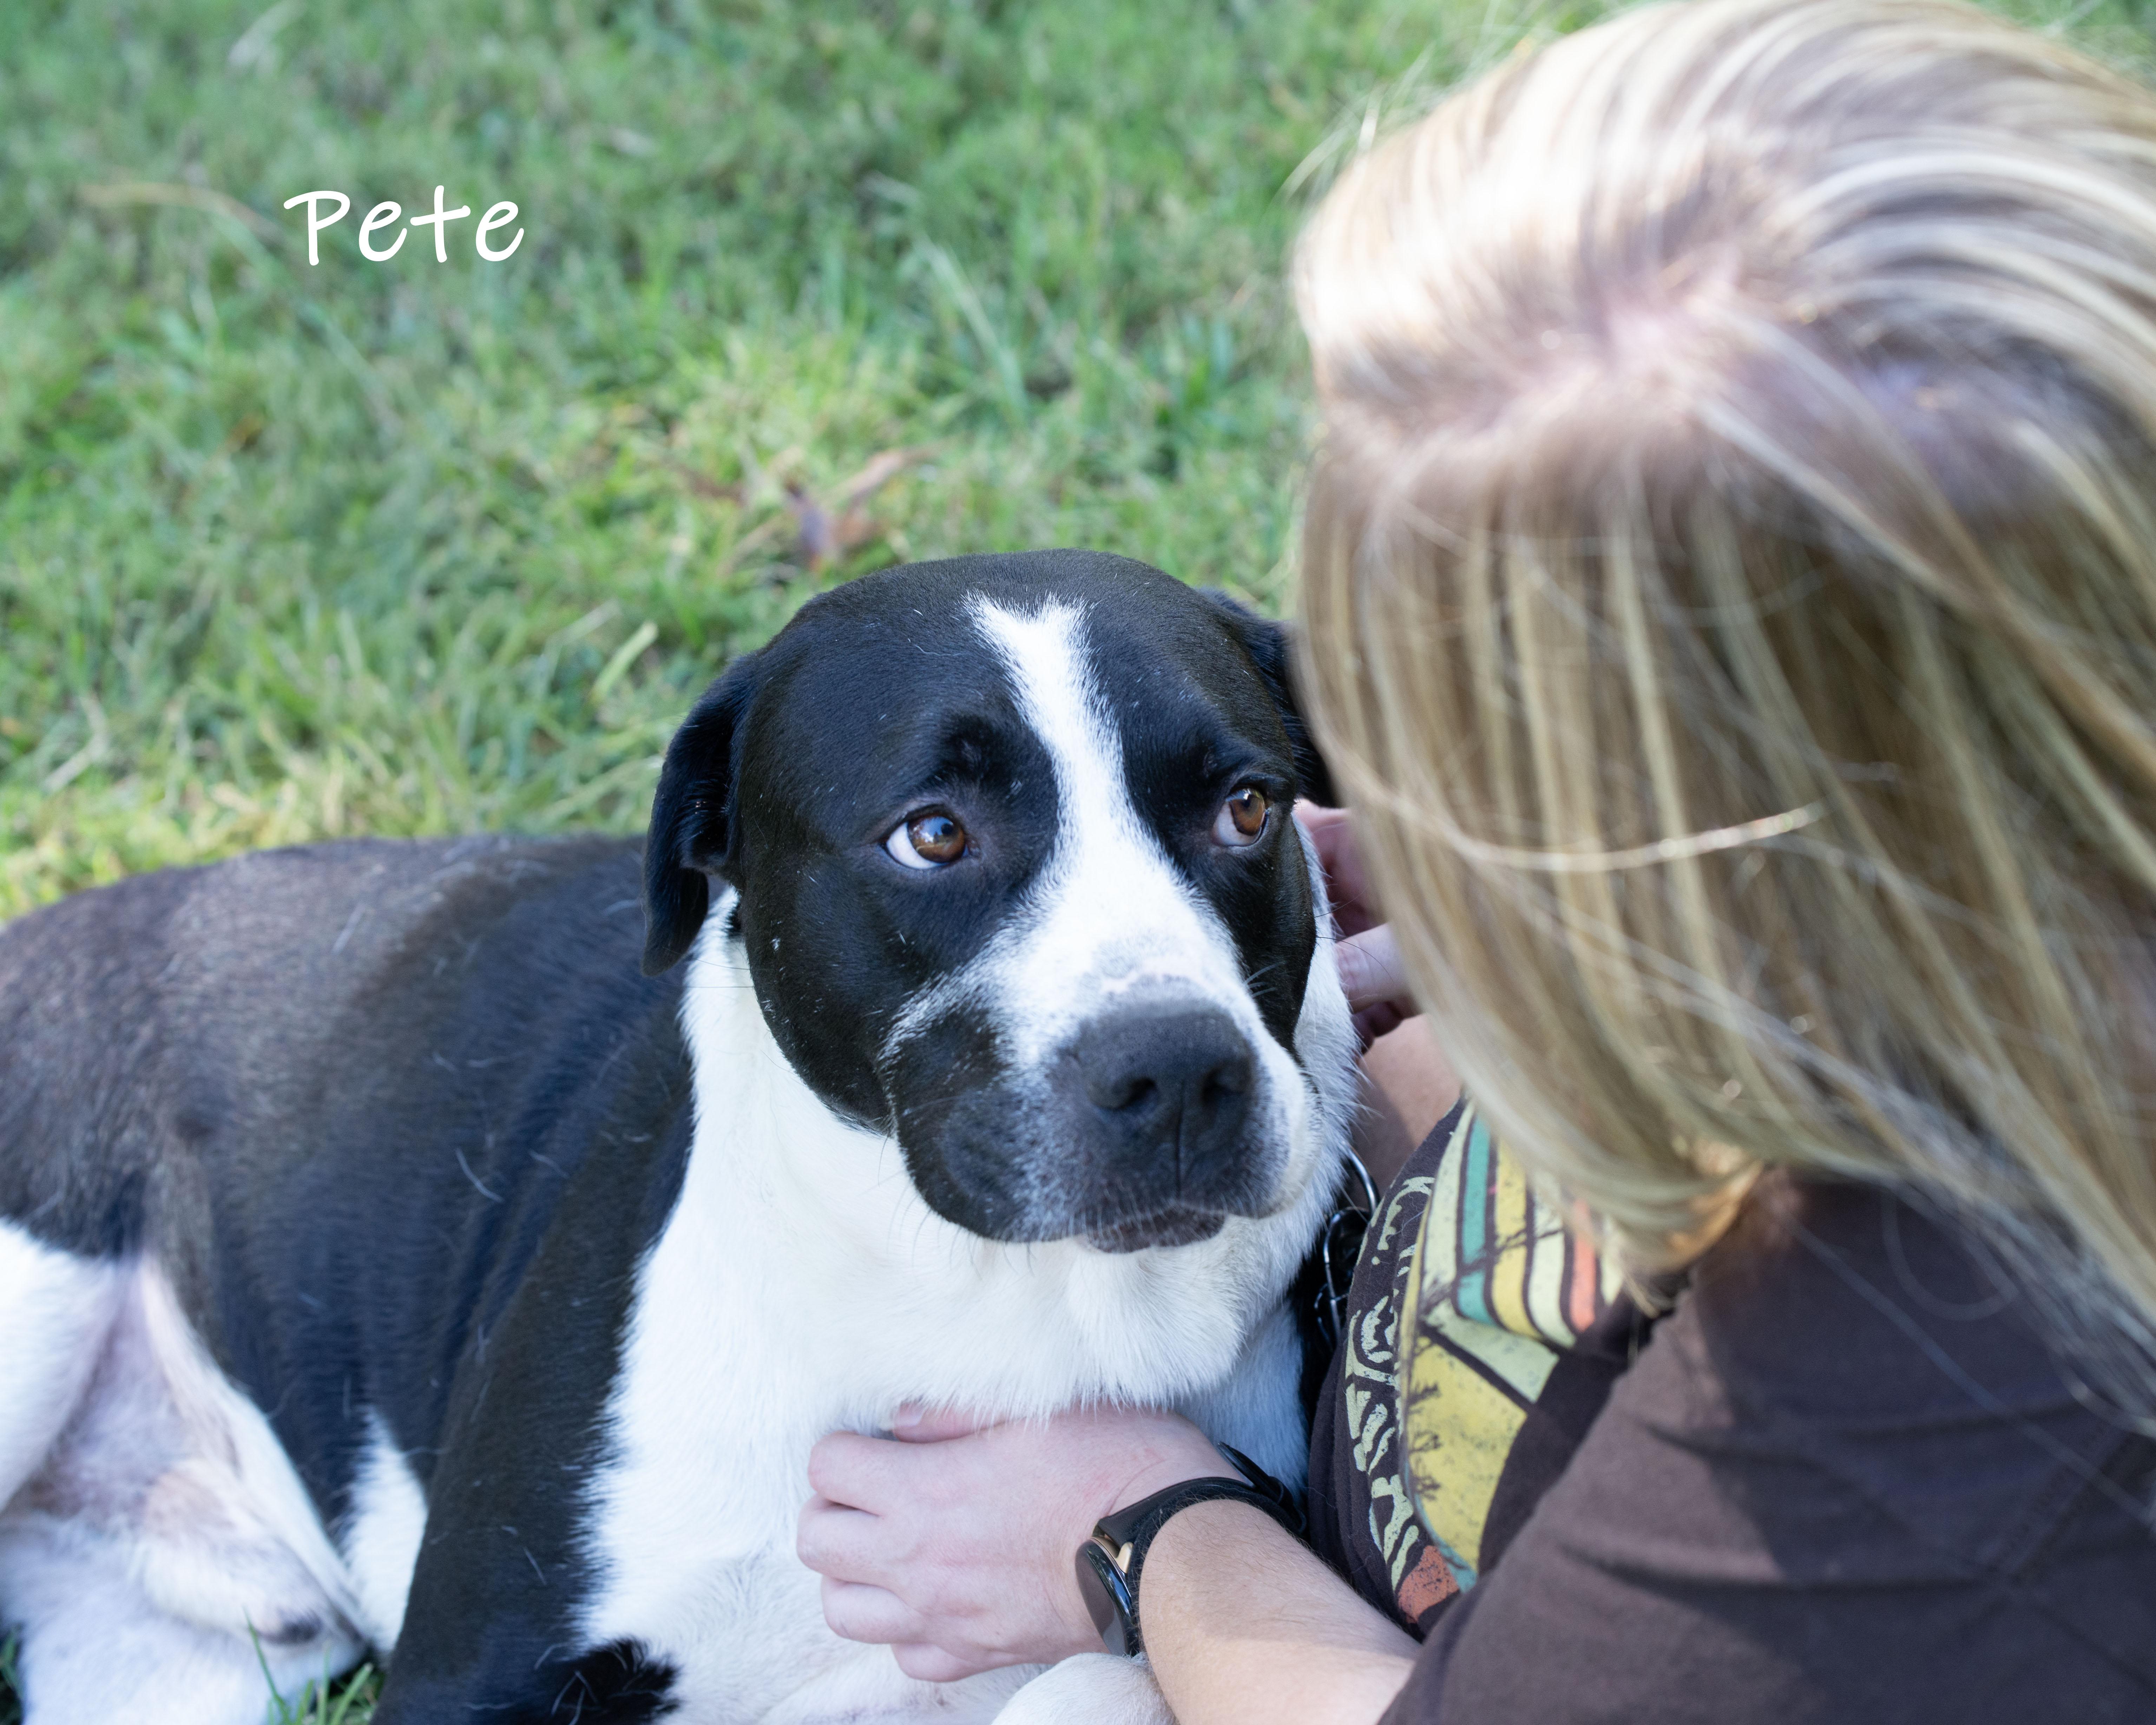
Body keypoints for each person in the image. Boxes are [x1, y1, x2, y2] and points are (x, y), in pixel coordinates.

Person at [793, 0, 2156, 1716]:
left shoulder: (1887, 1395)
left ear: (1745, 861)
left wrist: (1138, 1529)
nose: (1402, 832)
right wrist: (1510, 924)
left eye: (1481, 775)